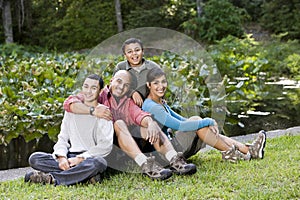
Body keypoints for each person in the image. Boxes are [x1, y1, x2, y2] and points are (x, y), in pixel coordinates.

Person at [63, 70, 197, 180]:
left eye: (126, 85)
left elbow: (140, 115)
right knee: (119, 123)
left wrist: (150, 123)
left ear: (129, 89)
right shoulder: (96, 94)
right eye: (119, 81)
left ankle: (175, 160)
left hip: (124, 147)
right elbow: (69, 103)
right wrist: (93, 110)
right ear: (111, 81)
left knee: (150, 125)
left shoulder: (127, 102)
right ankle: (145, 164)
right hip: (101, 149)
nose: (121, 87)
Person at [142, 67, 267, 163]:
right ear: (149, 85)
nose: (161, 86)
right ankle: (232, 152)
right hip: (165, 154)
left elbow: (182, 120)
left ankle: (246, 149)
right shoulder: (152, 106)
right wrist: (208, 121)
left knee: (197, 122)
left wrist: (203, 123)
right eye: (156, 83)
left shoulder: (158, 102)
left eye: (163, 82)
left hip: (172, 147)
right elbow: (179, 126)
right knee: (197, 121)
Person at [24, 74, 114, 185]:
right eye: (86, 87)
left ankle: (53, 179)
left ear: (100, 91)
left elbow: (105, 146)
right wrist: (62, 157)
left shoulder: (104, 113)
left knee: (99, 163)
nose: (88, 91)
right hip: (69, 157)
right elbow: (62, 138)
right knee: (35, 158)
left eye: (93, 88)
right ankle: (85, 176)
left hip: (89, 158)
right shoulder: (72, 110)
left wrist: (80, 159)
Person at [114, 37, 160, 107]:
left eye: (137, 50)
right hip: (126, 106)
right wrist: (132, 92)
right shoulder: (120, 67)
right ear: (125, 55)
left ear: (143, 51)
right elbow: (115, 87)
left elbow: (161, 86)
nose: (134, 54)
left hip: (150, 105)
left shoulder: (153, 67)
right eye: (129, 52)